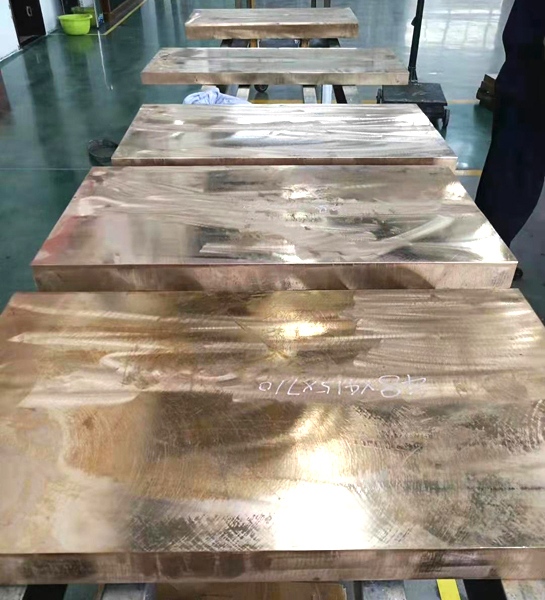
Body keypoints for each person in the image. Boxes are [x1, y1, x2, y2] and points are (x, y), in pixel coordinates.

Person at [475, 0, 545, 275]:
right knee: (514, 175)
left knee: (509, 172)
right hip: (532, 87)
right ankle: (485, 257)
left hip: (523, 79)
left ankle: (485, 251)